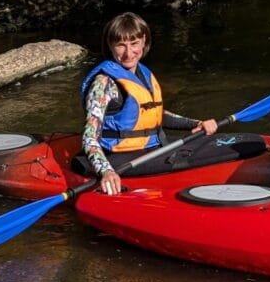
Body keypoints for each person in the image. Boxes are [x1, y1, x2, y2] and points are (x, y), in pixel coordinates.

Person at [80, 12, 218, 195]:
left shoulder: (142, 73)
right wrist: (106, 171)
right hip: (121, 158)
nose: (129, 53)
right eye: (121, 45)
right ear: (110, 45)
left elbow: (154, 113)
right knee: (213, 154)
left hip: (151, 149)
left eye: (134, 43)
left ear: (144, 41)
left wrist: (196, 123)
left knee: (212, 142)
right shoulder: (103, 83)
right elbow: (89, 137)